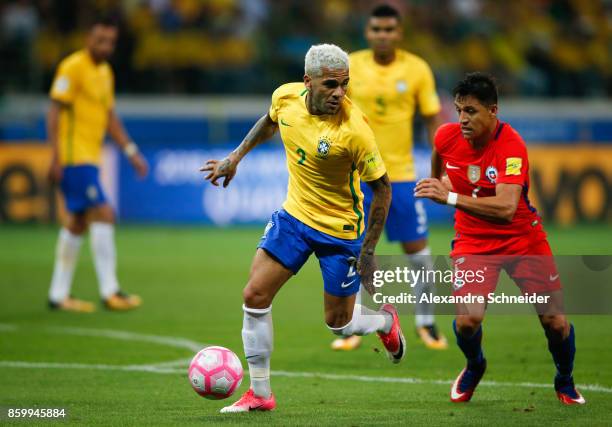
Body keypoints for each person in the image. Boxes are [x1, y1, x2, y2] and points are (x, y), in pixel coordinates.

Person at [201, 44, 405, 413]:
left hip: (340, 231)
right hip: (294, 217)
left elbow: (383, 189)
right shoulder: (286, 97)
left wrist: (369, 249)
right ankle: (261, 394)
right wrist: (235, 157)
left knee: (339, 325)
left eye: (344, 85)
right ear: (307, 81)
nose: (339, 93)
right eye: (330, 84)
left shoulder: (354, 130)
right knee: (255, 296)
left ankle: (383, 320)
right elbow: (269, 120)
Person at [415, 72, 585, 405]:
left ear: (493, 110)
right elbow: (439, 170)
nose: (462, 119)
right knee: (467, 321)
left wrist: (448, 197)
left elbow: (507, 208)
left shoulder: (511, 145)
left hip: (523, 240)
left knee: (555, 323)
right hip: (473, 242)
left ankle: (564, 380)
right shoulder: (446, 137)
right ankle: (474, 365)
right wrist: (441, 184)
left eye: (471, 111)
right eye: (459, 110)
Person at [334, 3, 446, 352]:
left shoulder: (417, 69)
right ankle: (357, 323)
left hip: (401, 175)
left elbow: (432, 120)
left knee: (418, 253)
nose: (382, 35)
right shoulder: (351, 64)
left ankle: (426, 322)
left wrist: (439, 170)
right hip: (358, 177)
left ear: (399, 33)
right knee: (355, 251)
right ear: (367, 32)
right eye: (376, 29)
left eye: (389, 30)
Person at [47, 17, 148, 312]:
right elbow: (54, 110)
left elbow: (109, 117)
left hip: (90, 157)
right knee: (104, 213)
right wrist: (54, 155)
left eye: (111, 42)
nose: (106, 47)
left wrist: (130, 151)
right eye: (100, 40)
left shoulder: (105, 72)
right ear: (87, 38)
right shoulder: (72, 67)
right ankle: (110, 291)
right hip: (73, 157)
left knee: (78, 222)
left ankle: (58, 295)